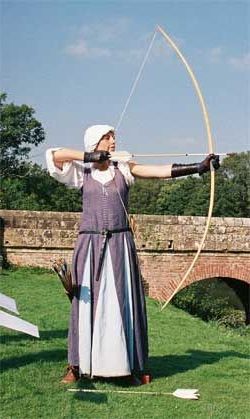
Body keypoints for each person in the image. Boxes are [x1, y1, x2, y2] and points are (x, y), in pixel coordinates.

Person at [46, 124, 219, 384]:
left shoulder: (124, 168)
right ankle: (77, 365)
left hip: (120, 243)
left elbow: (159, 172)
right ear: (95, 142)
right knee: (84, 304)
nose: (113, 140)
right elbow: (54, 155)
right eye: (107, 137)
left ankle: (130, 366)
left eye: (114, 136)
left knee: (123, 301)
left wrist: (198, 167)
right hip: (90, 245)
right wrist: (90, 157)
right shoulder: (82, 172)